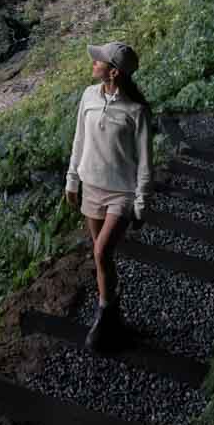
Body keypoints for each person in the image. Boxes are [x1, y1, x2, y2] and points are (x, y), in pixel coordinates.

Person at [64, 40, 153, 352]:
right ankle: (113, 319)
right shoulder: (88, 95)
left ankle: (103, 318)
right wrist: (72, 181)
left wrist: (141, 202)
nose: (94, 63)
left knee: (101, 253)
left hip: (122, 193)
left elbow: (144, 161)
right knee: (105, 259)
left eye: (99, 60)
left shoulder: (136, 111)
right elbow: (79, 139)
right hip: (91, 187)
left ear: (113, 72)